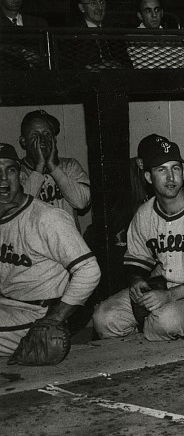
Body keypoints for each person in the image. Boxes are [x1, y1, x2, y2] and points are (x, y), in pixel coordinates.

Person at [92, 139, 184, 341]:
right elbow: (136, 261)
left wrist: (169, 296)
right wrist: (137, 280)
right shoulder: (145, 213)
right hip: (163, 289)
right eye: (161, 170)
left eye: (176, 168)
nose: (170, 176)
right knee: (104, 318)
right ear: (148, 176)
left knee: (163, 322)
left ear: (183, 173)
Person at [0, 143, 100, 358]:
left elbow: (89, 269)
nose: (3, 179)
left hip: (40, 313)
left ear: (19, 174)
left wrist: (56, 318)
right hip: (7, 306)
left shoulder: (46, 218)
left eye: (10, 170)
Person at [18, 110, 90, 228]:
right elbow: (20, 212)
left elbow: (81, 203)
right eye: (35, 135)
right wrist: (39, 168)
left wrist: (53, 168)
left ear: (54, 140)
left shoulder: (69, 166)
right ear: (23, 141)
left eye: (47, 134)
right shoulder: (15, 172)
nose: (42, 139)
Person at [127, 0, 184, 69]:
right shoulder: (133, 38)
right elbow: (144, 68)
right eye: (148, 11)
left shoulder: (172, 38)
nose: (154, 15)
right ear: (140, 15)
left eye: (157, 10)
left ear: (162, 13)